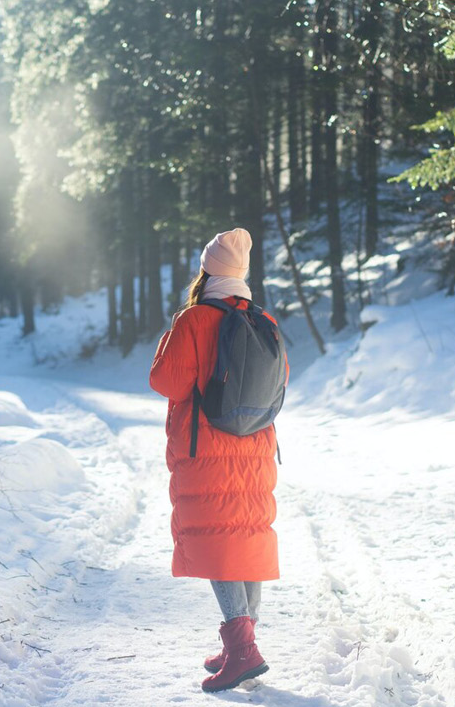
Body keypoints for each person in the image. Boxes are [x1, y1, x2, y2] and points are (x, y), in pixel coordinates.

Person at [148, 227, 280, 693]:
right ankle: (242, 642)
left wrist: (172, 334)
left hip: (208, 449)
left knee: (218, 544)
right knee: (244, 539)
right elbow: (280, 380)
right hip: (255, 448)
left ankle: (243, 651)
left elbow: (167, 382)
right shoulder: (263, 319)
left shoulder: (195, 319)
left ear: (206, 272)